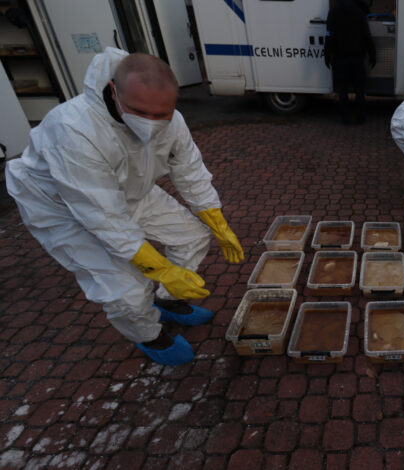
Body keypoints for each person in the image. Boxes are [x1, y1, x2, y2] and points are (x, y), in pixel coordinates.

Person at [5, 47, 244, 366]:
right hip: (63, 207)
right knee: (125, 288)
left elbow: (188, 168)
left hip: (129, 188)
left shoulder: (172, 120)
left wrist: (216, 221)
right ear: (114, 91)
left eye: (162, 114)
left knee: (192, 236)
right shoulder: (73, 130)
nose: (152, 124)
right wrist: (160, 268)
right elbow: (103, 217)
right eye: (140, 112)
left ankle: (168, 300)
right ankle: (150, 336)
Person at [324, 0, 376, 124]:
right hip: (357, 58)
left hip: (340, 58)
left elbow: (329, 35)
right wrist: (372, 54)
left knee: (343, 91)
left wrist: (327, 54)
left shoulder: (334, 12)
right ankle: (360, 118)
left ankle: (346, 118)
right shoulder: (359, 12)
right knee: (359, 90)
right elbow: (366, 35)